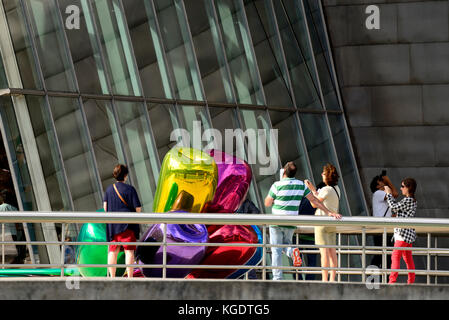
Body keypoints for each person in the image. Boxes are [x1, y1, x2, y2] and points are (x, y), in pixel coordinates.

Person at [264, 162, 341, 281]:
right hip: (291, 223)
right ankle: (291, 250)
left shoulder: (276, 185)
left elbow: (267, 203)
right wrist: (329, 212)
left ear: (284, 172)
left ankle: (277, 277)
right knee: (286, 244)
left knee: (276, 250)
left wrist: (275, 200)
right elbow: (315, 201)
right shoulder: (301, 185)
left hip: (276, 221)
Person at [103, 164, 142, 278]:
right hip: (127, 226)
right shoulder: (130, 189)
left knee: (112, 252)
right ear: (125, 175)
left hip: (113, 227)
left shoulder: (109, 190)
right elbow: (138, 209)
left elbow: (105, 208)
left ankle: (112, 277)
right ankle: (130, 277)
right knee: (129, 251)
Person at [305, 164, 341, 282]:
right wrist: (314, 190)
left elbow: (315, 204)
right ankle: (332, 279)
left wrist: (310, 192)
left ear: (328, 176)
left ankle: (324, 280)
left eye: (324, 173)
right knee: (332, 252)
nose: (322, 175)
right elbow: (322, 200)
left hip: (322, 221)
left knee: (323, 252)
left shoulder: (326, 189)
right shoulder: (336, 189)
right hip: (332, 223)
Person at [384, 178, 417, 284]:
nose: (401, 188)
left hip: (403, 234)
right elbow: (396, 207)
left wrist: (389, 194)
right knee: (408, 259)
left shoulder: (408, 200)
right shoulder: (411, 200)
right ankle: (411, 282)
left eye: (403, 186)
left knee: (395, 256)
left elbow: (393, 207)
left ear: (408, 188)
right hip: (407, 235)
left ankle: (392, 282)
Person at [369, 173, 398, 269]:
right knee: (381, 255)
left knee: (385, 256)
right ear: (377, 186)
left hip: (384, 230)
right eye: (380, 181)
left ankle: (382, 279)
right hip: (381, 230)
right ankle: (372, 278)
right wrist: (388, 181)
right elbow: (395, 194)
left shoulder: (381, 194)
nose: (383, 182)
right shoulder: (378, 193)